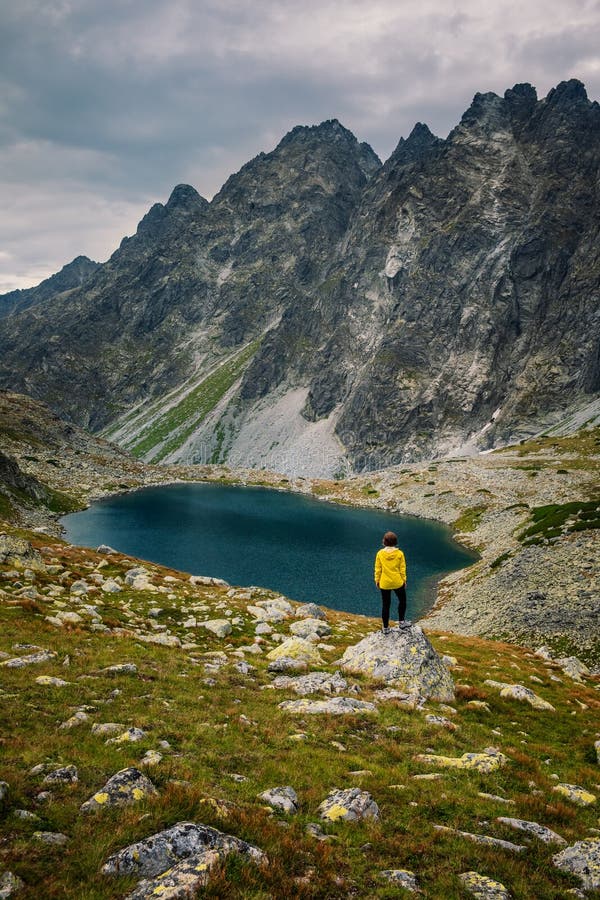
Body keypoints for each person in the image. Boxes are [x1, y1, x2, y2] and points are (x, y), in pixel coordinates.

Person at [374, 531, 407, 634]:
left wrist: (377, 580)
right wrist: (404, 580)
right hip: (397, 582)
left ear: (384, 541)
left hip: (384, 583)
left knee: (386, 604)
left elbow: (378, 568)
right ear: (396, 542)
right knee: (402, 601)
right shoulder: (400, 553)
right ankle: (401, 622)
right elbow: (402, 569)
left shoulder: (380, 553)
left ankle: (386, 628)